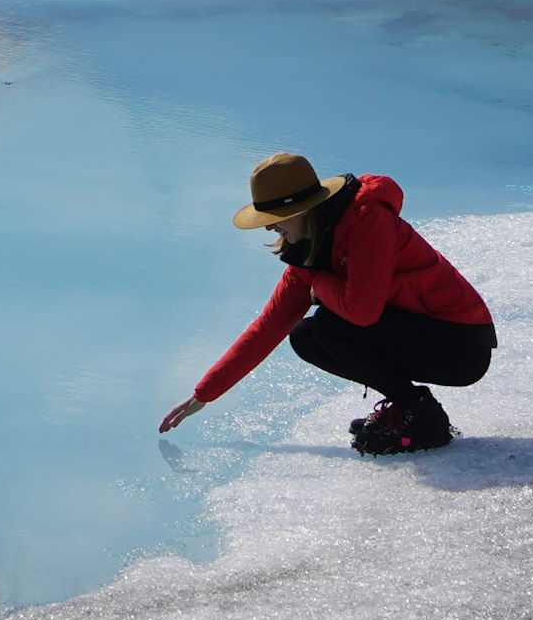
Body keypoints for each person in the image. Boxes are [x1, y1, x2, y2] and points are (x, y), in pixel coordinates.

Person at [157, 152, 497, 455]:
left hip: (462, 345)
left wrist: (320, 282)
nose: (270, 227)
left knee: (330, 325)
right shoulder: (309, 251)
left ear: (302, 209)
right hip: (418, 337)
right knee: (304, 335)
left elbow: (362, 311)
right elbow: (268, 327)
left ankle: (422, 420)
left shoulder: (367, 220)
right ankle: (409, 409)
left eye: (275, 216)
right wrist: (204, 393)